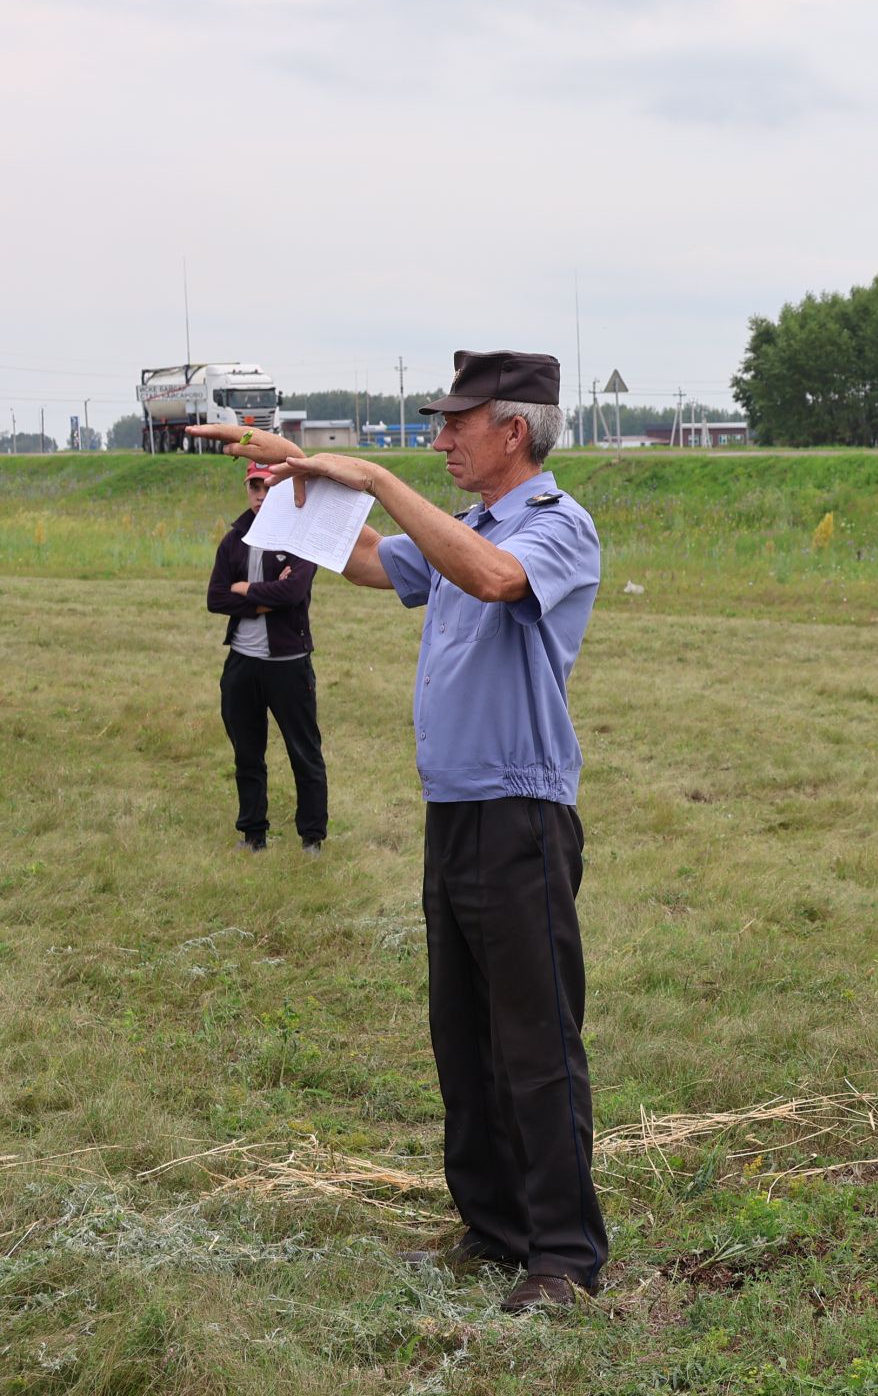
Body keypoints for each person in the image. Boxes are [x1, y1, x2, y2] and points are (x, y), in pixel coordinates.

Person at [194, 349, 606, 1312]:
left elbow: (499, 580)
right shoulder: (462, 524)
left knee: (535, 1042)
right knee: (462, 1037)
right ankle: (495, 1230)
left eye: (456, 423)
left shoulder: (553, 526)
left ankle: (565, 1258)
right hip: (454, 811)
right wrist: (291, 480)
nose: (441, 438)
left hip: (520, 815)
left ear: (514, 431)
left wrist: (374, 475)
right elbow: (379, 563)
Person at [205, 461, 327, 854]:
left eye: (268, 488)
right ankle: (253, 834)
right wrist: (262, 597)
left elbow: (292, 595)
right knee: (247, 753)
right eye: (254, 487)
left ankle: (312, 837)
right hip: (242, 664)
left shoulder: (300, 539)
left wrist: (246, 590)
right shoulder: (234, 541)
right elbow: (216, 598)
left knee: (303, 751)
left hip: (289, 664)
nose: (260, 496)